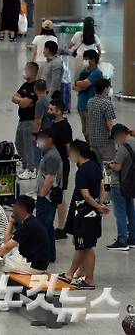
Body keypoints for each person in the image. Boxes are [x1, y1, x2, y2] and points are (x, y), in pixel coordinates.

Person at [0, 195, 49, 312]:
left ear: (22, 208)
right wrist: (11, 222)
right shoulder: (29, 222)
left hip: (34, 266)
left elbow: (8, 246)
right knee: (2, 254)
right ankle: (5, 297)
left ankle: (0, 300)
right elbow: (7, 242)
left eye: (15, 206)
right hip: (29, 260)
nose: (13, 209)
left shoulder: (29, 225)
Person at [59, 140, 108, 290]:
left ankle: (84, 278)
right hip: (93, 215)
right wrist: (100, 204)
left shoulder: (82, 171)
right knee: (85, 245)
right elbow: (102, 187)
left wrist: (98, 206)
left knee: (84, 247)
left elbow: (85, 196)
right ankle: (81, 273)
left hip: (84, 214)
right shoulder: (94, 166)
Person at [34, 130, 63, 263]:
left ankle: (42, 255)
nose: (38, 142)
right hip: (47, 197)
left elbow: (50, 178)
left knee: (42, 227)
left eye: (41, 139)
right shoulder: (48, 153)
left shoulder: (51, 156)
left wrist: (41, 195)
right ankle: (50, 255)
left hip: (47, 197)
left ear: (50, 139)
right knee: (48, 227)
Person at [105, 124, 135, 250]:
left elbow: (117, 167)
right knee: (131, 211)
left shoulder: (123, 147)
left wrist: (109, 165)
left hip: (119, 184)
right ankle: (133, 238)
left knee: (121, 213)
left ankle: (122, 241)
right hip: (131, 183)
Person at [47, 99, 73, 240]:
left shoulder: (64, 127)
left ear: (58, 111)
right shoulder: (54, 124)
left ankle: (62, 228)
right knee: (54, 195)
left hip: (60, 166)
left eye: (51, 109)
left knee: (59, 197)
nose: (49, 111)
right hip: (52, 164)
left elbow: (68, 149)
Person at [12, 62, 38, 180]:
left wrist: (21, 100)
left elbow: (24, 104)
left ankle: (31, 169)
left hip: (30, 120)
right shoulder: (25, 85)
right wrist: (21, 100)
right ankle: (25, 162)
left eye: (26, 69)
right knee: (19, 142)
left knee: (29, 145)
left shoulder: (35, 86)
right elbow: (14, 97)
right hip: (22, 119)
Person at [74, 50, 103, 145]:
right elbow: (75, 87)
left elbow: (85, 84)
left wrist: (79, 84)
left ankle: (94, 153)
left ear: (93, 59)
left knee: (91, 133)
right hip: (81, 105)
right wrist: (80, 85)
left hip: (91, 107)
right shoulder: (84, 72)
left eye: (86, 59)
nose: (84, 61)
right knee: (85, 131)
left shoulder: (97, 73)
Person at [87, 78, 116, 164]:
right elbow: (109, 124)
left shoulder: (90, 101)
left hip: (93, 140)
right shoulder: (107, 103)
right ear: (105, 89)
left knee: (95, 165)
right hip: (105, 141)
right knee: (109, 166)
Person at [69, 16, 102, 80]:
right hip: (91, 60)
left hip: (79, 59)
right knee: (90, 79)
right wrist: (96, 61)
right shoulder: (95, 37)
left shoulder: (78, 35)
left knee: (78, 79)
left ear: (84, 25)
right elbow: (99, 52)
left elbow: (69, 46)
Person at [32, 79, 52, 163]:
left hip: (44, 131)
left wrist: (34, 134)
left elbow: (38, 121)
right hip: (51, 129)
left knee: (35, 148)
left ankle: (36, 169)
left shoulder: (40, 102)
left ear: (35, 89)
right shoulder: (49, 98)